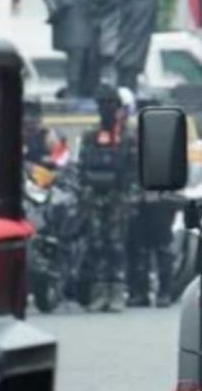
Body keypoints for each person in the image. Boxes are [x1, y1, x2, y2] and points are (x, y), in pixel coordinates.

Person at [78, 83, 135, 313]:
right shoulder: (91, 135)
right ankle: (99, 292)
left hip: (117, 198)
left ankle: (117, 291)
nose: (106, 110)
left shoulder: (128, 137)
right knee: (96, 244)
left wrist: (132, 196)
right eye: (102, 105)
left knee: (116, 245)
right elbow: (82, 166)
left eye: (110, 105)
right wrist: (83, 193)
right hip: (94, 197)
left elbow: (133, 169)